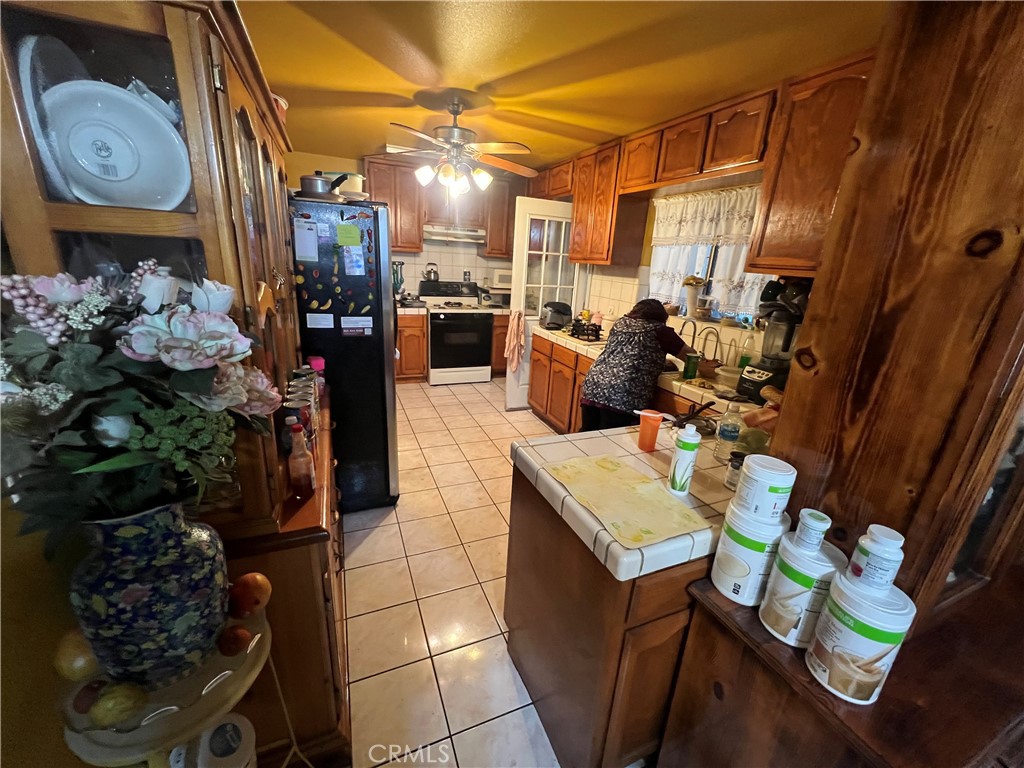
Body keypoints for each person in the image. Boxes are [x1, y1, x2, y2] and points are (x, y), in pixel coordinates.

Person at [579, 299, 694, 432]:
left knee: (587, 434)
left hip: (594, 382)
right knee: (609, 439)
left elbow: (630, 353)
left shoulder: (620, 323)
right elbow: (691, 356)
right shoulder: (660, 331)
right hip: (622, 392)